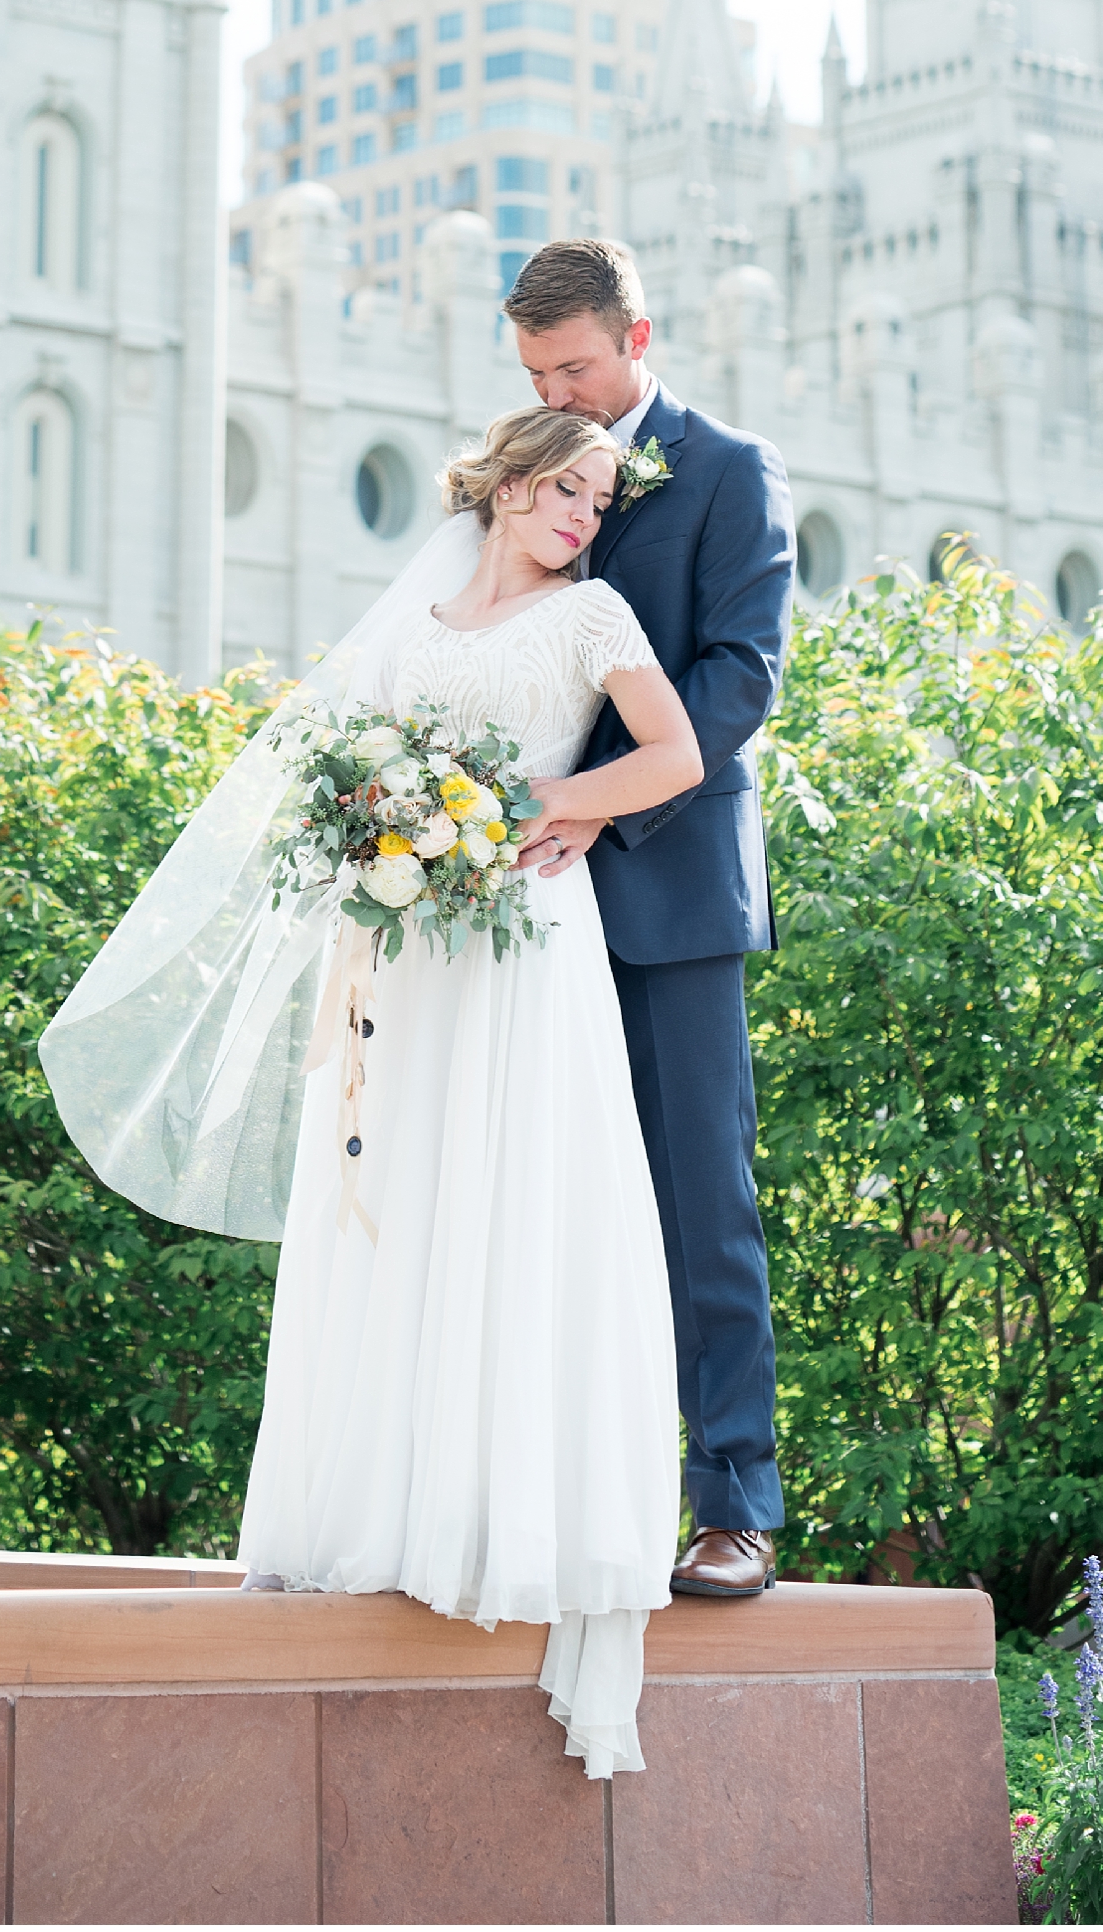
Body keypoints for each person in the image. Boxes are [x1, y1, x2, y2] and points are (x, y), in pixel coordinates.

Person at [40, 401, 702, 1779]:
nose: (587, 513)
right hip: (409, 955)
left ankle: (502, 1526)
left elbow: (677, 756)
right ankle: (382, 1517)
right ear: (509, 487)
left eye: (600, 496)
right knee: (394, 1205)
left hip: (525, 952)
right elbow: (342, 776)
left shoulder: (596, 621)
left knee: (509, 1204)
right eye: (568, 490)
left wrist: (544, 804)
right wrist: (387, 835)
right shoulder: (411, 625)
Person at [504, 236, 796, 1601]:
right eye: (535, 371)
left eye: (576, 364)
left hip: (674, 890)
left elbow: (737, 682)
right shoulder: (527, 467)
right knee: (546, 1200)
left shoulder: (730, 469)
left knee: (703, 1201)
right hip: (524, 908)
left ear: (638, 335)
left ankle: (735, 1503)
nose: (559, 391)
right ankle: (570, 1500)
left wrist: (590, 803)